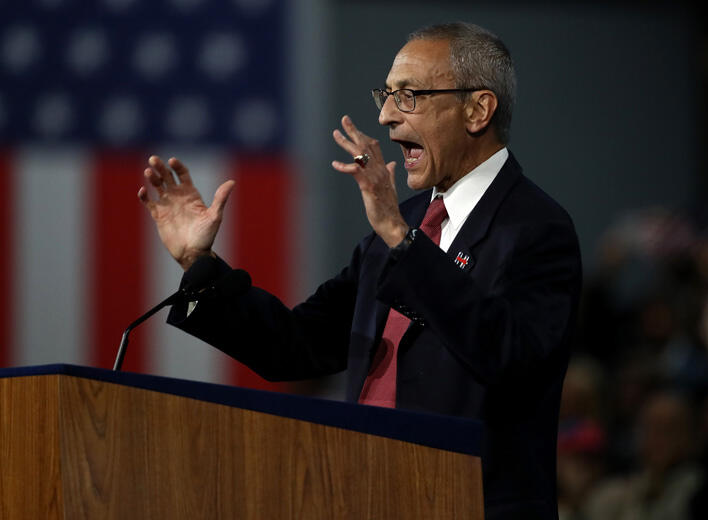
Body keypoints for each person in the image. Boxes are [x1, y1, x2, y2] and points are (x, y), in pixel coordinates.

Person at [138, 22, 581, 520]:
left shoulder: (536, 229)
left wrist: (400, 238)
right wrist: (198, 263)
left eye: (409, 96)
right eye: (387, 95)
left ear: (477, 109)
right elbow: (296, 347)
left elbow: (509, 358)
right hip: (366, 498)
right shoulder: (405, 223)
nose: (387, 115)